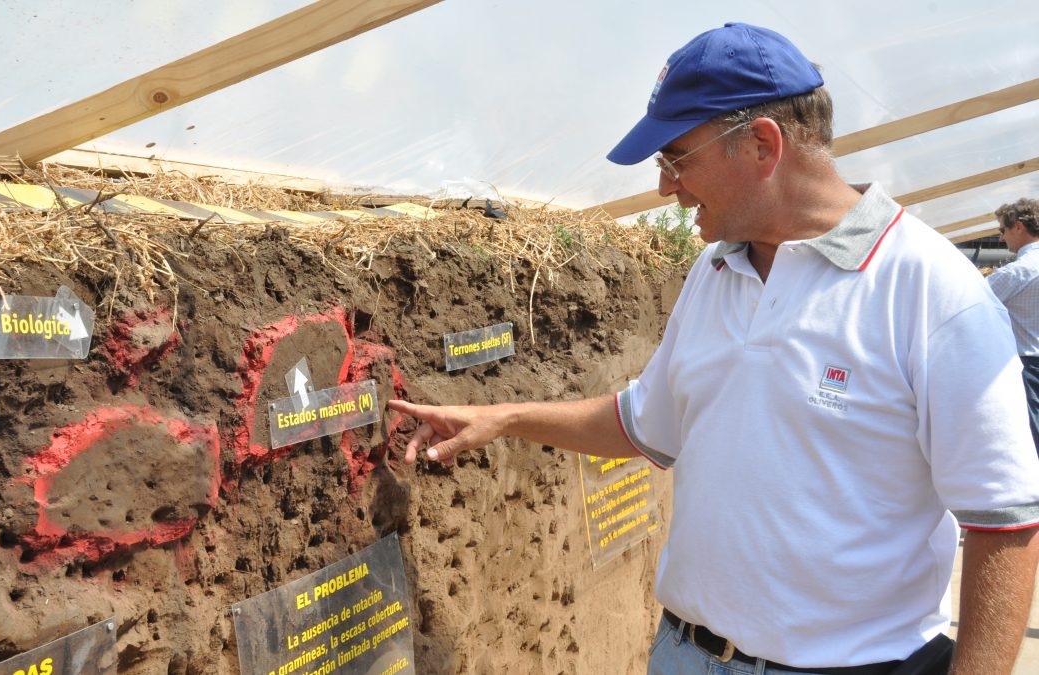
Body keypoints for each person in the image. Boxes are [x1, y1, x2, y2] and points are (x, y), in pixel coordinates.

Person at [387, 23, 1039, 675]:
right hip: (685, 655)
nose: (666, 186)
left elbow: (1004, 524)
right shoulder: (715, 271)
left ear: (761, 144)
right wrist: (505, 418)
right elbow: (645, 422)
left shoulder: (929, 290)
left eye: (676, 157)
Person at [988, 198, 1039, 456]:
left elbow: (964, 303)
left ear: (1018, 226)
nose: (1001, 239)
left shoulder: (1018, 272)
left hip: (1029, 366)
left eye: (1002, 230)